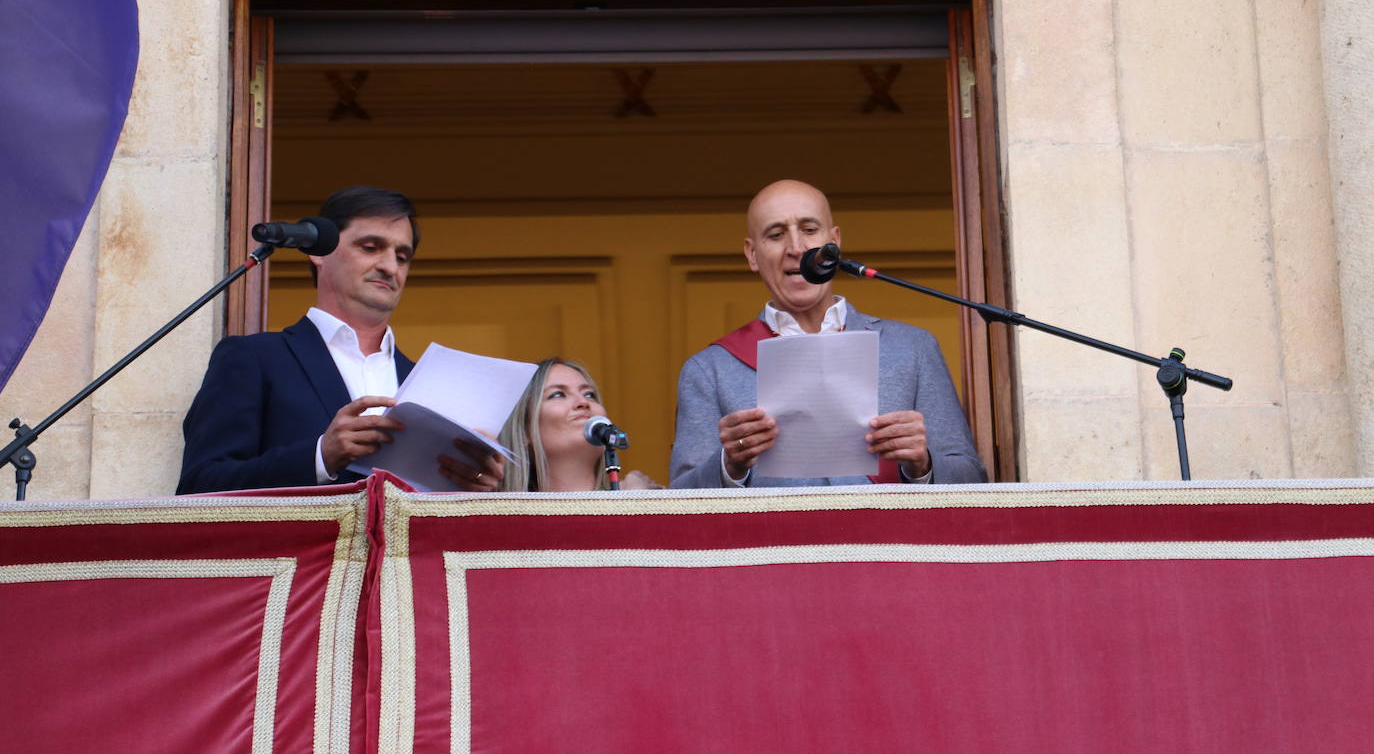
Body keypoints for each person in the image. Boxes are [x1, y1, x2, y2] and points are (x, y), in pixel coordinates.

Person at [177, 185, 503, 494]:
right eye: (370, 247)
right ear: (317, 253)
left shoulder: (430, 386)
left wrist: (476, 485)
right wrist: (320, 456)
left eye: (402, 256)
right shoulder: (254, 358)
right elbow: (199, 487)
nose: (390, 266)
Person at [669, 179, 987, 489]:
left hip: (889, 540)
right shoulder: (708, 370)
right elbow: (682, 502)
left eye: (809, 230)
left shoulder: (913, 348)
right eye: (776, 234)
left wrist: (923, 464)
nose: (796, 248)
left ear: (834, 241)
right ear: (752, 254)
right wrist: (729, 465)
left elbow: (971, 480)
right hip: (776, 541)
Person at [499, 357, 660, 492]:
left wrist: (637, 504)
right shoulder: (497, 515)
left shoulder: (643, 497)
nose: (583, 402)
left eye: (589, 394)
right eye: (558, 394)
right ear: (523, 431)